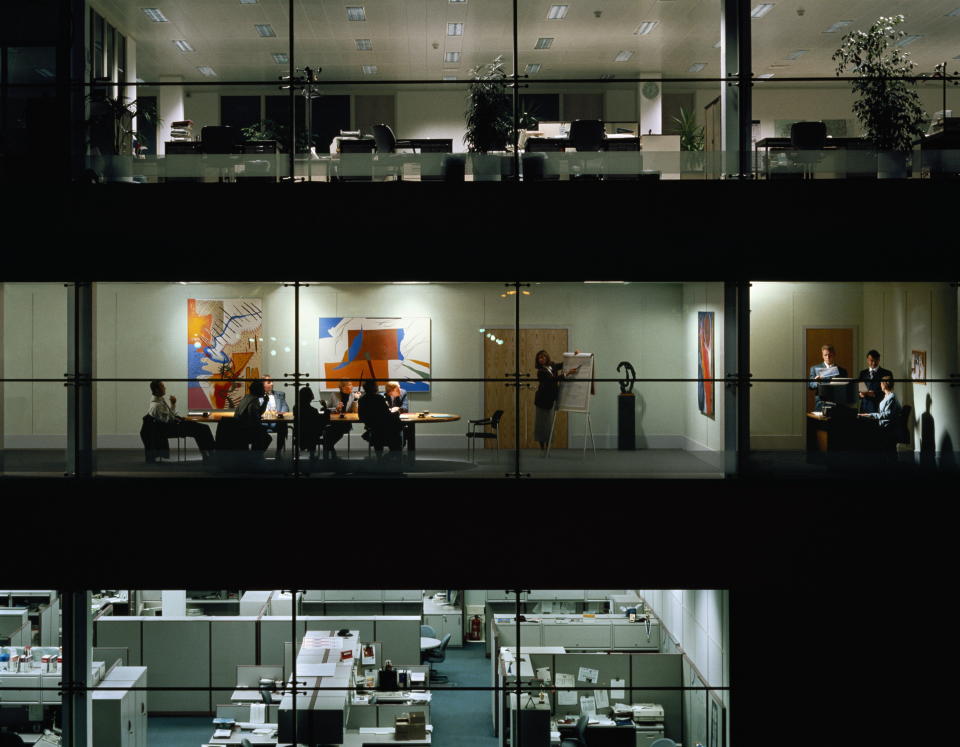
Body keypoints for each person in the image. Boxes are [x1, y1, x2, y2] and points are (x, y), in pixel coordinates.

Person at [146, 380, 216, 459]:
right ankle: (211, 453)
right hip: (172, 429)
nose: (165, 388)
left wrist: (173, 407)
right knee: (203, 429)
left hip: (172, 426)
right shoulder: (157, 405)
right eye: (162, 386)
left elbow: (169, 416)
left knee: (201, 429)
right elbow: (168, 420)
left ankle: (208, 454)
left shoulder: (160, 400)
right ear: (157, 390)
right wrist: (173, 405)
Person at [533, 349, 581, 451]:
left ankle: (547, 445)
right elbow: (552, 380)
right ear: (537, 360)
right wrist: (567, 373)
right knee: (541, 424)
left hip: (551, 399)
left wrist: (574, 355)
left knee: (549, 424)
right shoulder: (540, 372)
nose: (542, 359)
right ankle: (542, 447)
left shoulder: (552, 365)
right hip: (542, 401)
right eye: (540, 357)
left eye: (544, 357)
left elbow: (563, 364)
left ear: (547, 357)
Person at [857, 375, 903, 452]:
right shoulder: (887, 396)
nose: (880, 385)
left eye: (881, 383)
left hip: (887, 428)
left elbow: (887, 415)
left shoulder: (891, 397)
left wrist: (870, 415)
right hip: (884, 425)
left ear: (885, 385)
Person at [358, 379, 402, 456]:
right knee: (398, 431)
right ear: (374, 387)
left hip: (372, 428)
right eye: (376, 385)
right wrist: (396, 413)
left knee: (378, 435)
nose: (377, 386)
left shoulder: (362, 399)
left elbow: (361, 416)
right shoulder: (379, 398)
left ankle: (381, 457)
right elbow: (387, 415)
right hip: (383, 428)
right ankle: (391, 455)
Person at [233, 379, 272, 452]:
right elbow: (254, 419)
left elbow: (258, 413)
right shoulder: (254, 400)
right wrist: (264, 427)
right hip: (246, 431)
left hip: (238, 428)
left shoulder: (247, 397)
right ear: (258, 390)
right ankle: (255, 456)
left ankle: (253, 456)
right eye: (263, 388)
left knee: (262, 433)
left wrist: (265, 401)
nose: (264, 390)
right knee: (267, 438)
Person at [323, 379, 358, 457]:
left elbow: (355, 412)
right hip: (334, 423)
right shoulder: (334, 395)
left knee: (329, 435)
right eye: (349, 384)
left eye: (352, 384)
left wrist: (356, 399)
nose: (352, 386)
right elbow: (327, 409)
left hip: (345, 423)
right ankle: (330, 453)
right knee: (327, 433)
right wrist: (336, 408)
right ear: (343, 387)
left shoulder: (353, 396)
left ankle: (328, 455)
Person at [808, 344, 849, 412]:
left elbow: (846, 389)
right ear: (822, 356)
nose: (828, 357)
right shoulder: (814, 368)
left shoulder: (842, 371)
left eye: (830, 355)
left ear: (834, 355)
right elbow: (810, 385)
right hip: (821, 404)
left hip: (837, 404)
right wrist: (817, 382)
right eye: (825, 355)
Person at [293, 386, 328, 459]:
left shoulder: (295, 408)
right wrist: (325, 407)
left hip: (299, 433)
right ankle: (312, 454)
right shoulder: (313, 411)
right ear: (311, 397)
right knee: (314, 430)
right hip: (312, 435)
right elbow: (323, 421)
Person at [260, 374, 290, 456]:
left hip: (277, 422)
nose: (272, 384)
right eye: (269, 382)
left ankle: (278, 452)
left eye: (272, 382)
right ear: (262, 384)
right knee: (258, 427)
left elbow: (285, 407)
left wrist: (280, 413)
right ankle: (258, 453)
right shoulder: (257, 396)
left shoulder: (280, 394)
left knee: (283, 424)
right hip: (263, 423)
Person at [857, 350, 893, 415]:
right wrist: (860, 394)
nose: (874, 363)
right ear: (867, 360)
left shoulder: (886, 373)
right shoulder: (863, 373)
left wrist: (874, 394)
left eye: (876, 360)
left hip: (879, 408)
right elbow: (859, 389)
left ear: (879, 360)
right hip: (864, 408)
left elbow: (889, 390)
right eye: (871, 360)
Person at [383, 380, 411, 447]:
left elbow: (405, 408)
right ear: (392, 390)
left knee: (400, 431)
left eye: (399, 387)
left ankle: (397, 449)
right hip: (387, 423)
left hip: (399, 421)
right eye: (398, 388)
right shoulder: (383, 396)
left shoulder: (403, 392)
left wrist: (398, 408)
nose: (400, 389)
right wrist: (389, 410)